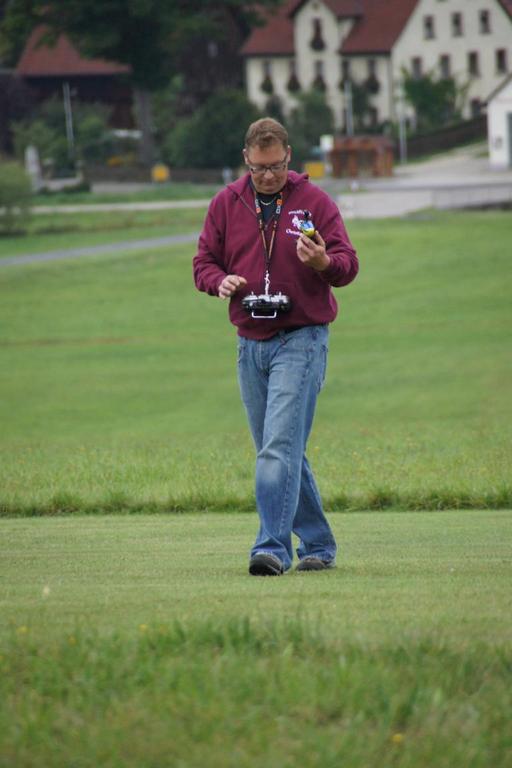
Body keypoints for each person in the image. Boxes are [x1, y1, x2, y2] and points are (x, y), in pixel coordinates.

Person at [193, 117, 358, 576]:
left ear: (289, 157)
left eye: (277, 166)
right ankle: (319, 544)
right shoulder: (226, 203)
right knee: (279, 450)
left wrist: (323, 261)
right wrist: (219, 280)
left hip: (302, 338)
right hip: (250, 342)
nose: (268, 176)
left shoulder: (316, 202)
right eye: (259, 168)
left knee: (277, 450)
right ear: (246, 159)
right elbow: (203, 262)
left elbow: (348, 264)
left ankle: (271, 549)